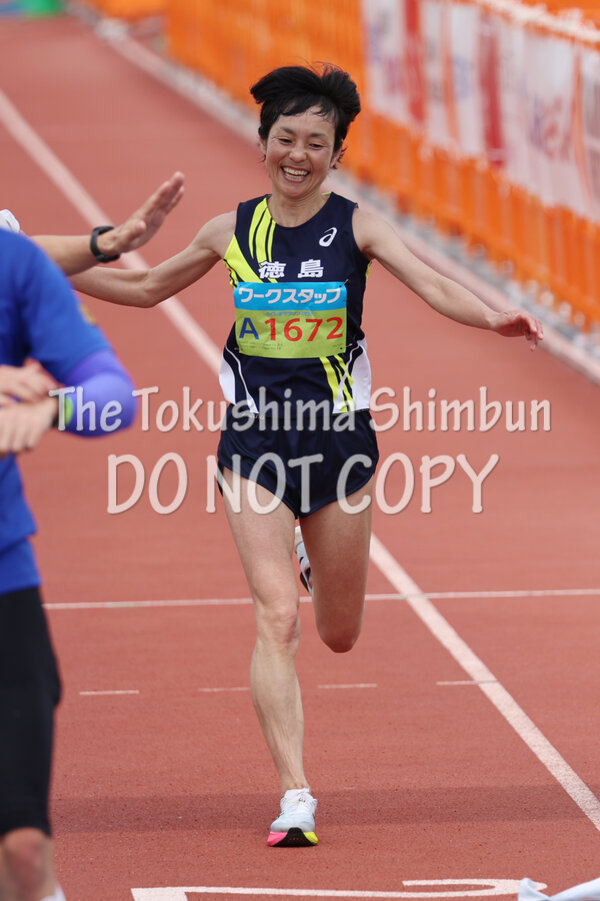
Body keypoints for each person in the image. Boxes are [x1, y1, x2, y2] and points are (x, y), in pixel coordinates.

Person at [70, 64, 543, 848]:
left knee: (339, 633)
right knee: (277, 616)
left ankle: (311, 555)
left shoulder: (357, 227)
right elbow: (148, 285)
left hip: (339, 445)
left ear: (336, 155)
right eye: (285, 138)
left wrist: (493, 318)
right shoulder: (232, 231)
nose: (298, 154)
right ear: (261, 143)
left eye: (315, 143)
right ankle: (295, 793)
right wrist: (47, 269)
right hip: (254, 443)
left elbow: (432, 285)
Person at [0, 173, 184, 901]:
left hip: (4, 573)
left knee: (22, 849)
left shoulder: (15, 265)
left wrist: (53, 408)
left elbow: (115, 396)